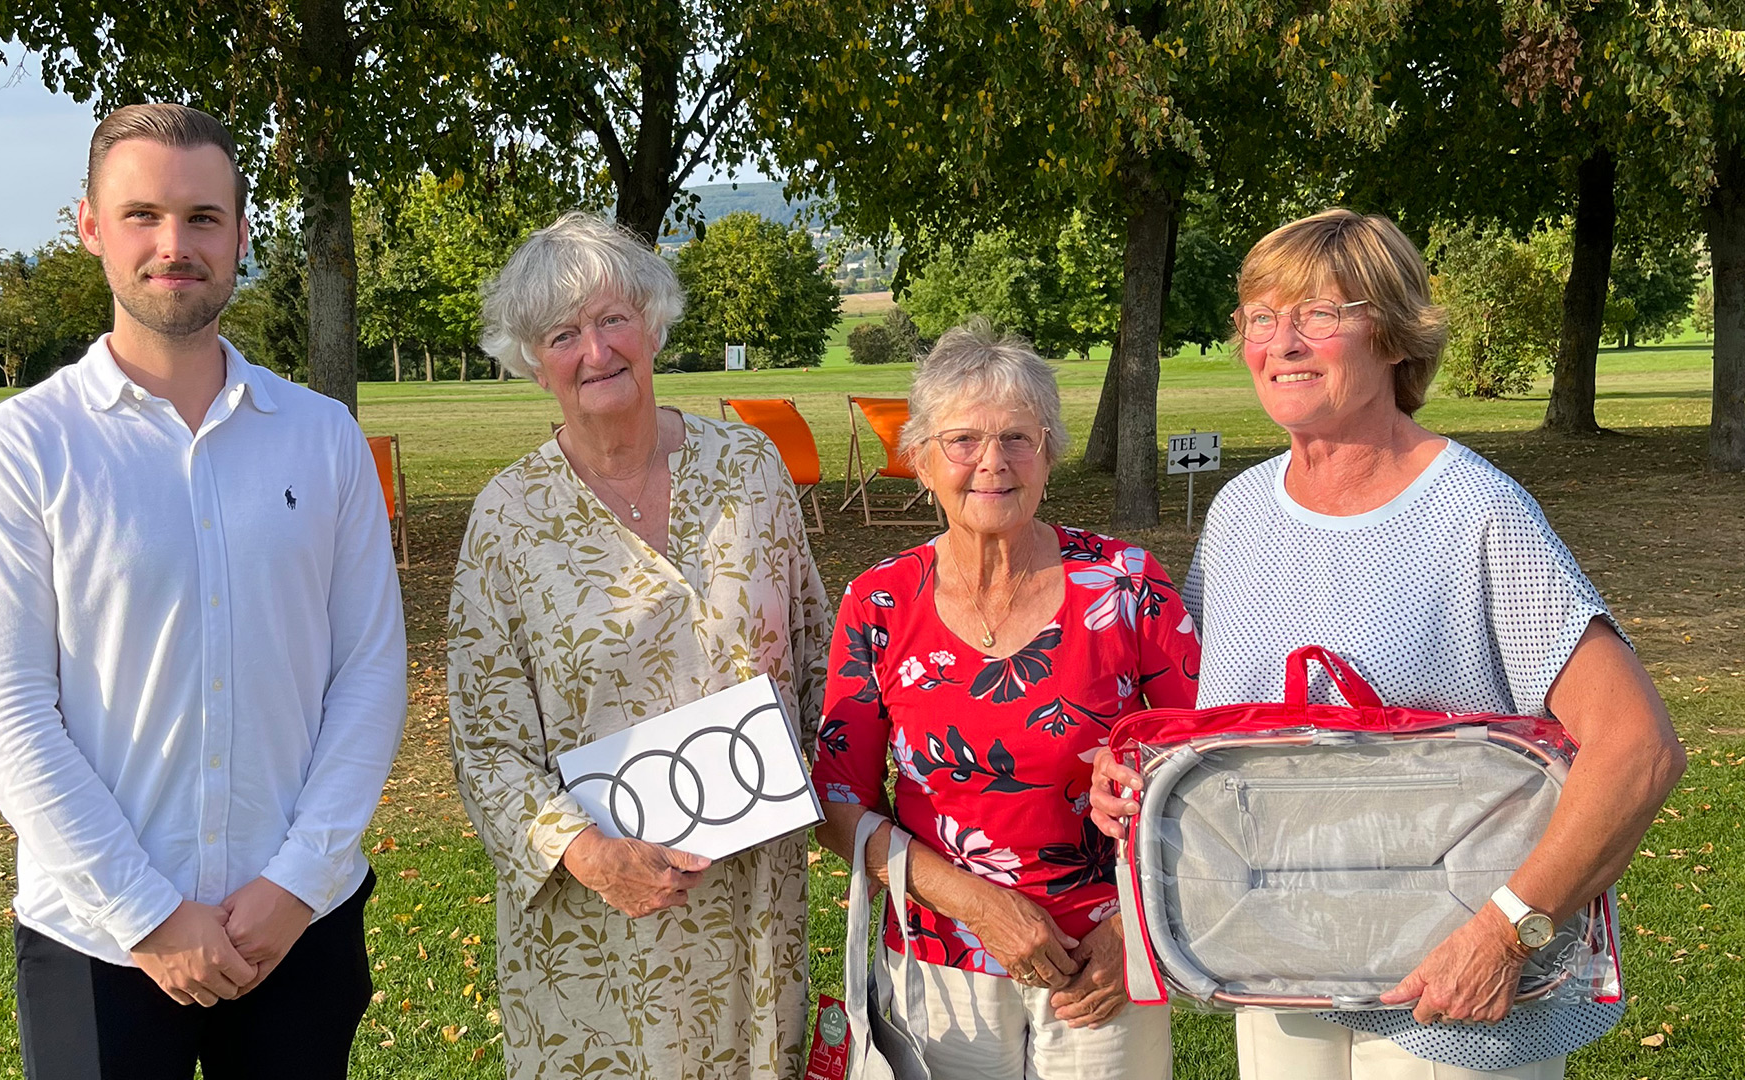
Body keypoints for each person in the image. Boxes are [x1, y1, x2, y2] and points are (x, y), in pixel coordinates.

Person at [1090, 208, 1686, 1080]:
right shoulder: (1241, 515)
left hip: (1449, 988)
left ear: (1396, 337)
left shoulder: (1475, 510)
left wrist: (1507, 933)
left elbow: (1640, 749)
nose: (1284, 342)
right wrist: (1138, 779)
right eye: (1262, 317)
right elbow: (1219, 735)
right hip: (1277, 964)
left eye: (1321, 314)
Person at [0, 103, 407, 1079]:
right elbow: (8, 711)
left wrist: (296, 884)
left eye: (203, 217)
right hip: (94, 936)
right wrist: (148, 913)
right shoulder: (20, 449)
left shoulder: (321, 440)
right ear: (91, 227)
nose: (174, 243)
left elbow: (367, 673)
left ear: (241, 234)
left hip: (298, 924)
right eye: (143, 213)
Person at [446, 211, 830, 1080]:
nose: (596, 350)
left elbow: (816, 656)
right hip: (598, 921)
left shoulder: (750, 468)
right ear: (532, 361)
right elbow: (485, 745)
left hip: (750, 905)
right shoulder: (507, 519)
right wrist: (590, 856)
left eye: (612, 319)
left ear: (652, 323)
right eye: (563, 333)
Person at [812, 322, 1198, 1080]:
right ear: (920, 460)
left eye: (1018, 438)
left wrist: (1136, 930)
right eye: (962, 441)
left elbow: (1204, 773)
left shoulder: (1127, 584)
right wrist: (979, 905)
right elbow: (837, 804)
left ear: (1050, 453)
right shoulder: (879, 603)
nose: (992, 463)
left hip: (1105, 962)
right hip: (941, 959)